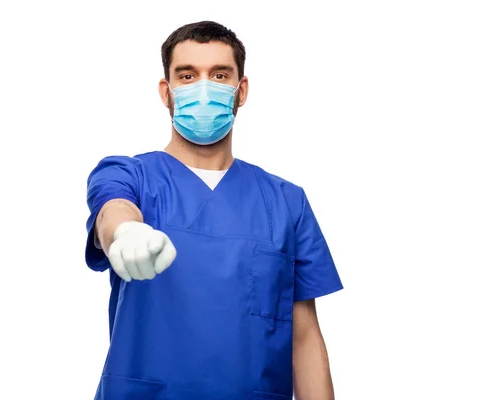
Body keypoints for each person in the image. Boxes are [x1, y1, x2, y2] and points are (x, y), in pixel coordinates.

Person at [85, 21, 343, 400]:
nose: (203, 88)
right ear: (166, 91)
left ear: (241, 91)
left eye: (219, 75)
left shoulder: (287, 201)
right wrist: (125, 232)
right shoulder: (130, 174)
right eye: (187, 75)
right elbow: (113, 209)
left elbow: (304, 337)